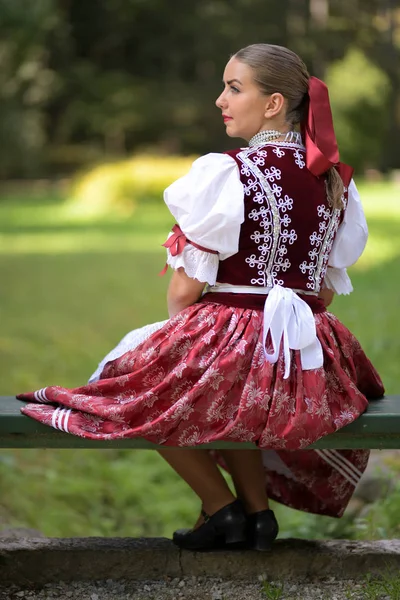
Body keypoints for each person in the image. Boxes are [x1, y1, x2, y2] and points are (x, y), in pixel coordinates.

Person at [18, 43, 384, 552]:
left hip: (234, 327)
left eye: (235, 88)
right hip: (308, 350)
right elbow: (322, 288)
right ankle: (259, 514)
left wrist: (184, 342)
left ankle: (222, 506)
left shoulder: (229, 173)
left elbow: (186, 287)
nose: (220, 100)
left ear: (274, 103)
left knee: (139, 390)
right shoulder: (334, 179)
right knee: (229, 394)